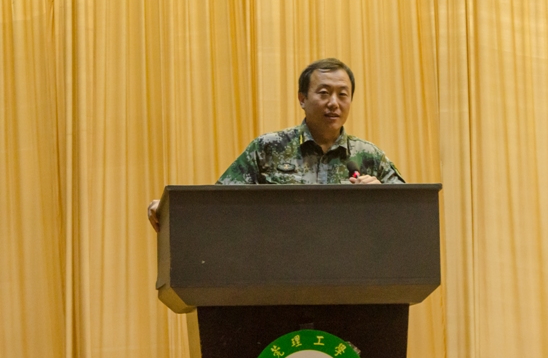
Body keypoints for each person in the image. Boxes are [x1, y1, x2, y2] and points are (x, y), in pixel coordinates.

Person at [147, 58, 404, 231]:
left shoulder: (368, 156)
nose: (334, 103)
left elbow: (409, 214)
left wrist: (382, 196)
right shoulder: (269, 148)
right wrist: (169, 211)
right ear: (302, 99)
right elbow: (220, 203)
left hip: (351, 276)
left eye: (343, 94)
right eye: (324, 93)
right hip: (279, 273)